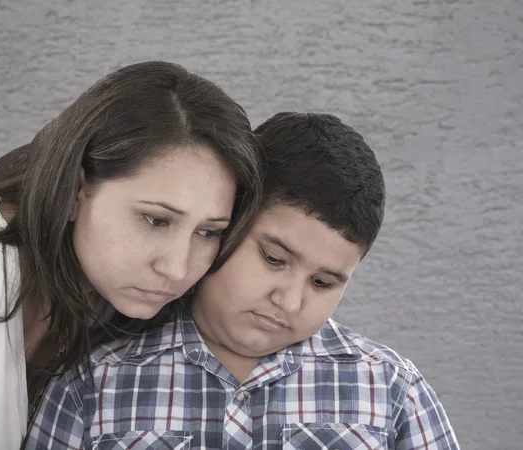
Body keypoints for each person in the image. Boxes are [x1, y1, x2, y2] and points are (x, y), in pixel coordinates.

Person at [27, 112, 460, 449]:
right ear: (227, 223)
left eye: (324, 283)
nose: (289, 301)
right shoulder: (94, 385)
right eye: (273, 258)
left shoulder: (390, 388)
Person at [0, 61, 264, 449]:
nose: (177, 267)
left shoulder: (102, 297)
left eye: (208, 232)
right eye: (155, 220)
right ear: (75, 189)